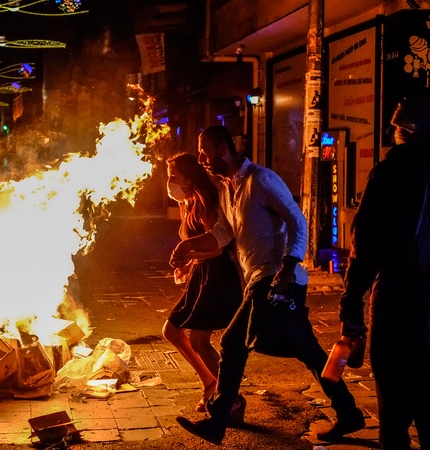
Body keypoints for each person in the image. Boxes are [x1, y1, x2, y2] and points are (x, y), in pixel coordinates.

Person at [174, 126, 365, 445]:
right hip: (263, 280)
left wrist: (290, 264)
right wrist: (187, 246)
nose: (203, 159)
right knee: (310, 353)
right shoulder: (226, 188)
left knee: (233, 344)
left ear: (223, 149)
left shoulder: (260, 180)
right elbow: (223, 233)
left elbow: (297, 220)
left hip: (276, 278)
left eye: (206, 152)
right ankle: (349, 412)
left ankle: (218, 419)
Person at [338, 94, 430, 449]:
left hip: (399, 305)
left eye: (396, 128)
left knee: (393, 419)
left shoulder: (390, 173)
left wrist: (351, 306)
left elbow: (366, 246)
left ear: (408, 130)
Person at [163, 153, 243, 412]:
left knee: (200, 341)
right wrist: (188, 262)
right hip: (201, 273)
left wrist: (188, 249)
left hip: (218, 276)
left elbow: (217, 247)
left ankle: (230, 398)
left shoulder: (209, 198)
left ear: (190, 177)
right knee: (171, 331)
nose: (170, 182)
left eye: (174, 176)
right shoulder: (189, 202)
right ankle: (210, 383)